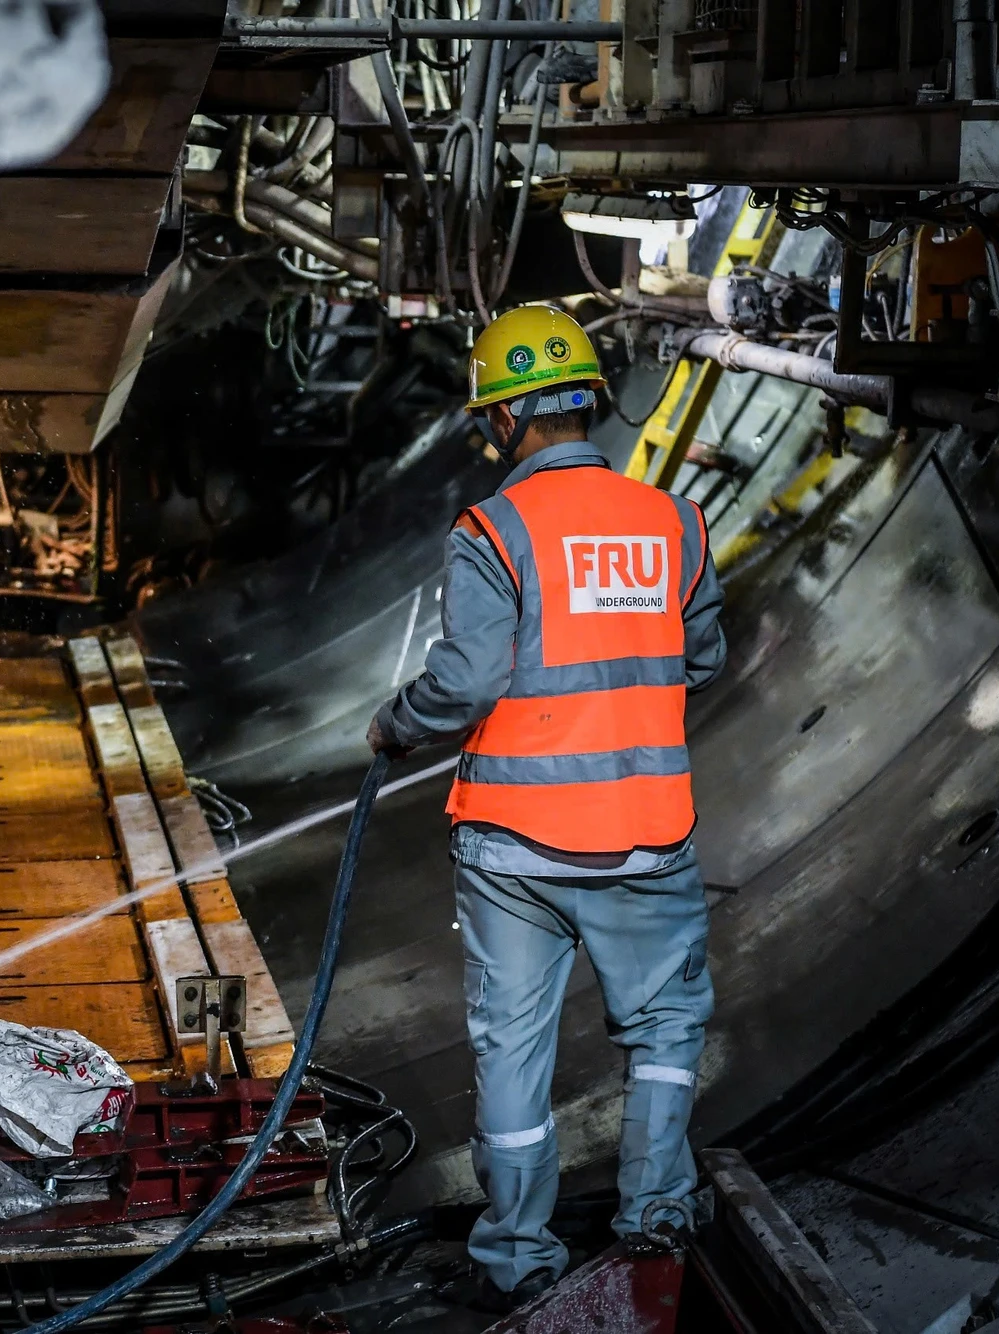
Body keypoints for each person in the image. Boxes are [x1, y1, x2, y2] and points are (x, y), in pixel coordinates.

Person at [366, 304, 727, 1312]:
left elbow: (467, 678)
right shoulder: (674, 523)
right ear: (590, 406)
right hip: (645, 839)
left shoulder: (491, 530)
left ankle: (516, 1258)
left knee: (511, 1049)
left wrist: (394, 722)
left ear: (504, 421)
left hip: (512, 848)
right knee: (661, 1029)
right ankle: (654, 1216)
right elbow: (699, 657)